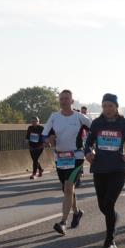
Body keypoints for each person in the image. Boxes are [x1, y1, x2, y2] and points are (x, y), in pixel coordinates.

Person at [83, 93, 125, 248]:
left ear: (116, 107)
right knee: (103, 206)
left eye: (110, 106)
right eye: (105, 106)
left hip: (117, 169)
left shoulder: (124, 123)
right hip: (99, 168)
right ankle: (114, 217)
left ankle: (109, 241)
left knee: (108, 204)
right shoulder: (97, 123)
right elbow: (87, 143)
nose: (107, 109)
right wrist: (87, 153)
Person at [42, 89, 91, 235]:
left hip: (77, 157)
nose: (64, 101)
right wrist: (48, 141)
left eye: (66, 99)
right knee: (67, 189)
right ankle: (76, 212)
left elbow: (95, 129)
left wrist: (91, 146)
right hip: (60, 158)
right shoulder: (54, 117)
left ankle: (63, 222)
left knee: (69, 187)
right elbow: (44, 135)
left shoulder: (80, 117)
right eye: (61, 99)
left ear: (72, 101)